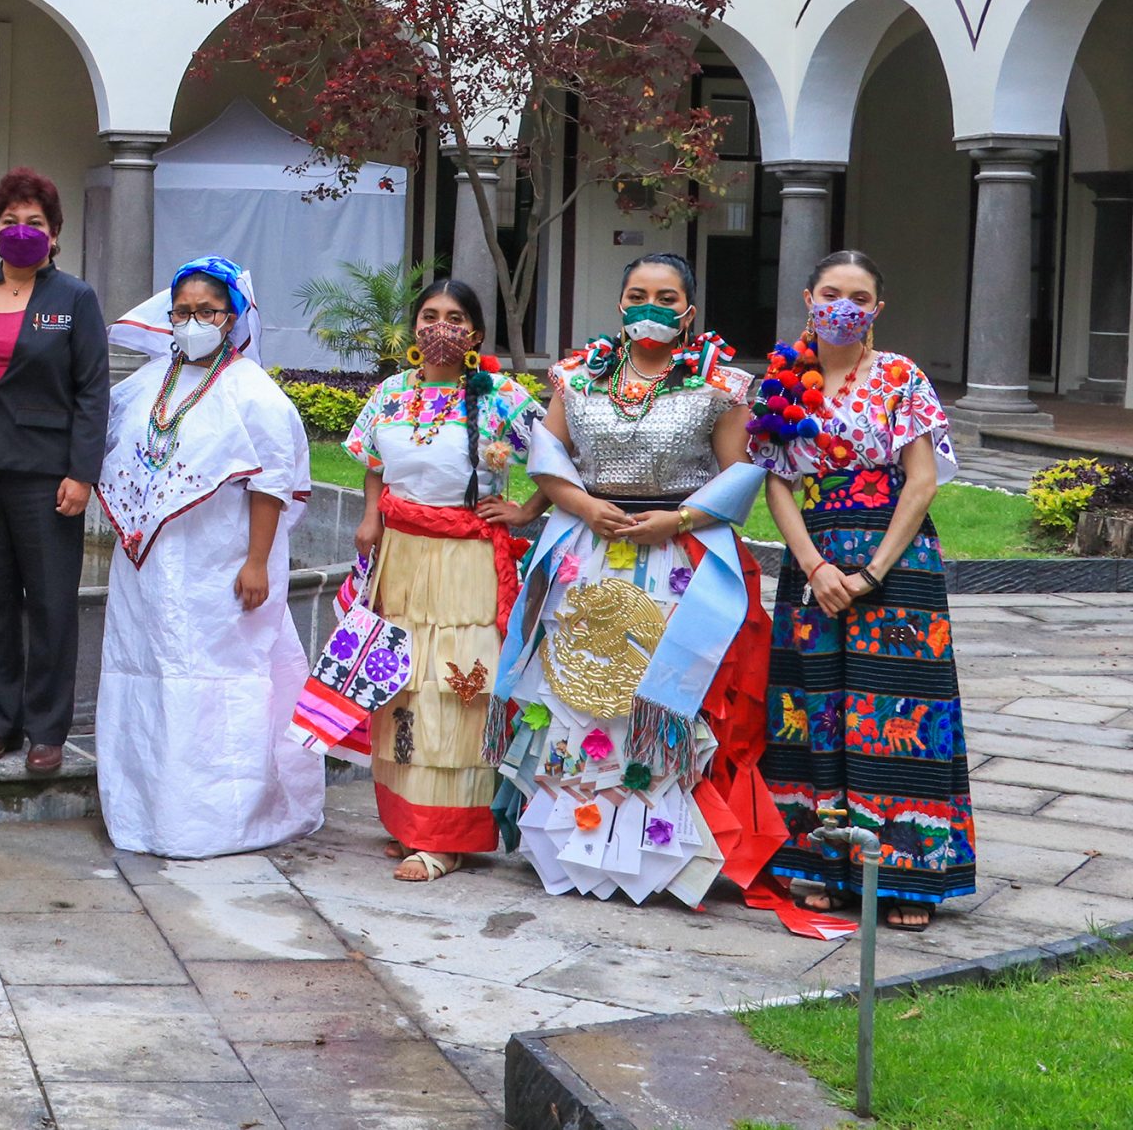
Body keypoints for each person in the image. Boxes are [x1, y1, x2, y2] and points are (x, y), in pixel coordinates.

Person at [494, 253, 782, 906]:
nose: (649, 306)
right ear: (621, 303)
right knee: (573, 690)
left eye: (665, 295)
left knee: (658, 694)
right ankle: (567, 844)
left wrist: (677, 517)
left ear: (689, 310)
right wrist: (578, 503)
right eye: (636, 293)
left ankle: (660, 852)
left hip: (678, 556)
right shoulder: (576, 376)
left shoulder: (723, 386)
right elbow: (549, 455)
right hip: (584, 552)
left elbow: (741, 471)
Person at [749, 250, 974, 931]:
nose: (843, 305)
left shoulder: (901, 377)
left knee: (896, 712)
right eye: (831, 292)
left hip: (896, 565)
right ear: (808, 297)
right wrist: (815, 566)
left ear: (878, 307)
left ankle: (907, 875)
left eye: (859, 295)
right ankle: (822, 866)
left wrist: (872, 570)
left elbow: (923, 480)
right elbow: (777, 483)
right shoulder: (783, 381)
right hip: (812, 560)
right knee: (814, 707)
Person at [94, 258, 324, 857]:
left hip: (220, 566)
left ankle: (222, 820)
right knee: (143, 671)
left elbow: (273, 483)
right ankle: (143, 813)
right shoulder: (148, 381)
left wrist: (257, 562)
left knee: (221, 680)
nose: (193, 321)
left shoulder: (255, 393)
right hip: (148, 567)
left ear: (233, 316)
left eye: (207, 311)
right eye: (183, 311)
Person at [344, 278, 543, 882]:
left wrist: (525, 511)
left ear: (476, 333)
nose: (440, 327)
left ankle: (448, 837)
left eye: (455, 317)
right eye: (429, 315)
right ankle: (409, 822)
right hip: (401, 557)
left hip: (467, 562)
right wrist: (371, 515)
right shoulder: (391, 393)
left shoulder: (502, 395)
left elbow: (562, 459)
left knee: (457, 687)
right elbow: (375, 463)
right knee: (400, 684)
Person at [0, 167, 108, 775]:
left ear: (55, 234)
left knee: (52, 603)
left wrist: (82, 472)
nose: (21, 230)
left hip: (47, 475)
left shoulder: (74, 299)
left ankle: (47, 729)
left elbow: (92, 392)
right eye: (10, 221)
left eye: (34, 222)